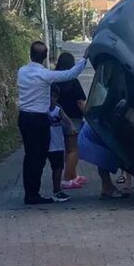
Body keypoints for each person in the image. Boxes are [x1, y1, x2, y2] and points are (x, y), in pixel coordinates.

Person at [17, 41, 87, 205]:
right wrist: (84, 59)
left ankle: (30, 191)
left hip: (24, 117)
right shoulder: (45, 75)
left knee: (29, 156)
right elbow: (69, 74)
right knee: (39, 157)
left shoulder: (21, 71)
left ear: (30, 54)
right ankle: (33, 195)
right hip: (39, 119)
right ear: (45, 56)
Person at [54, 52, 89, 190]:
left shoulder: (54, 80)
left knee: (66, 150)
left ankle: (73, 175)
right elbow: (80, 102)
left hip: (57, 119)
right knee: (74, 149)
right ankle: (68, 179)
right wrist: (89, 114)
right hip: (73, 119)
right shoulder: (73, 82)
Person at [78, 121, 130, 199]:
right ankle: (107, 187)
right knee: (103, 158)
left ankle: (107, 187)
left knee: (103, 158)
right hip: (97, 131)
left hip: (94, 129)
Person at [46, 85, 77, 202]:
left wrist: (71, 126)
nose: (51, 99)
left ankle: (57, 190)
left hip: (57, 145)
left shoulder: (58, 111)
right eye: (49, 96)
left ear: (57, 97)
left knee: (58, 168)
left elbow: (67, 119)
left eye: (54, 96)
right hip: (46, 144)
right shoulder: (42, 110)